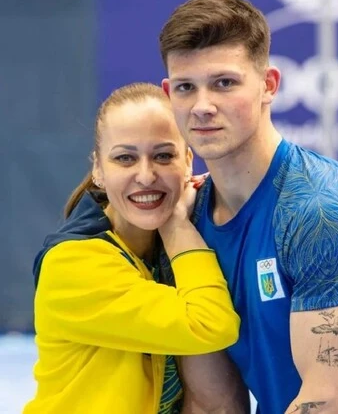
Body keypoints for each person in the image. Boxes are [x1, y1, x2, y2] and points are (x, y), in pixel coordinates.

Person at [158, 0, 338, 413]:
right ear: (168, 93)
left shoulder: (324, 213)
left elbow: (330, 405)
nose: (203, 106)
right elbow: (214, 400)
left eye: (224, 83)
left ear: (268, 85)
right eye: (187, 88)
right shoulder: (190, 216)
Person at [23, 82, 244, 413]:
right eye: (125, 158)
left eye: (163, 156)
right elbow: (210, 323)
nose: (146, 175)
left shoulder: (176, 245)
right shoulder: (71, 265)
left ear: (188, 161)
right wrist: (177, 225)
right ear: (98, 169)